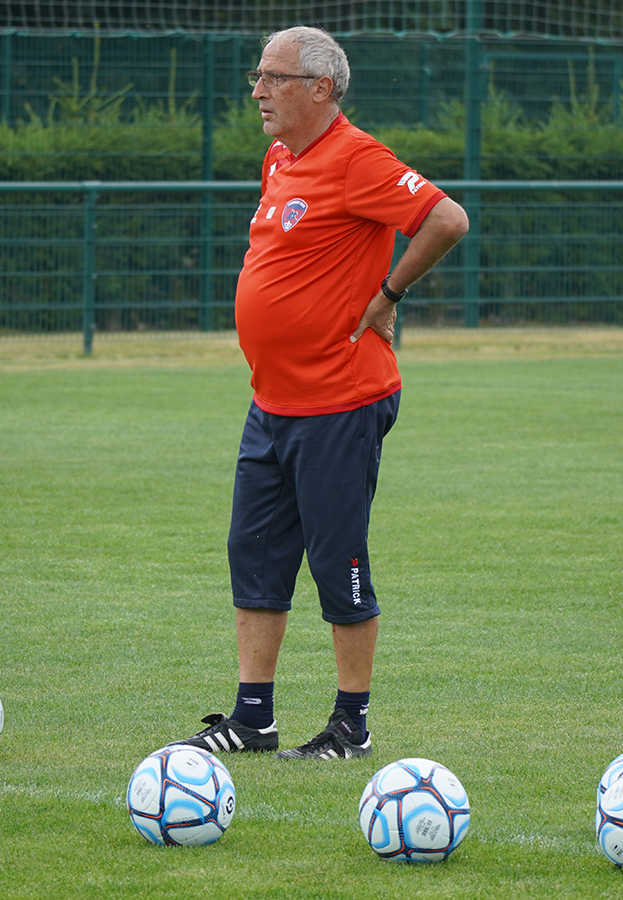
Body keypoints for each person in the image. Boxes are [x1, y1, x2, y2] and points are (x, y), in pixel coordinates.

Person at [172, 25, 468, 760]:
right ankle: (252, 719)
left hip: (340, 402)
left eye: (273, 77)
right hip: (271, 402)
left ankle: (351, 725)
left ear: (321, 89)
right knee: (256, 556)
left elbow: (446, 218)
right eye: (258, 76)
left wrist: (389, 292)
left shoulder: (356, 158)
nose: (258, 91)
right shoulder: (279, 158)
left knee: (338, 562)